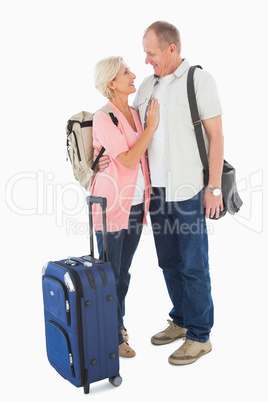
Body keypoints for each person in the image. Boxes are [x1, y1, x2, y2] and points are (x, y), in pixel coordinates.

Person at [98, 21, 224, 365]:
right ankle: (182, 320)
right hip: (156, 193)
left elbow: (217, 138)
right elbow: (124, 126)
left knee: (194, 265)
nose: (146, 61)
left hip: (189, 191)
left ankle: (200, 335)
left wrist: (214, 187)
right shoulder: (147, 88)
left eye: (150, 53)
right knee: (169, 261)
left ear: (171, 49)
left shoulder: (200, 81)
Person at [91, 56, 159, 358]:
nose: (133, 75)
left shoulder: (133, 112)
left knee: (123, 272)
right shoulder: (103, 117)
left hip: (135, 205)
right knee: (110, 273)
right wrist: (151, 129)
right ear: (111, 83)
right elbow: (129, 159)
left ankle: (115, 325)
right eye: (126, 72)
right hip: (110, 206)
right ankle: (114, 334)